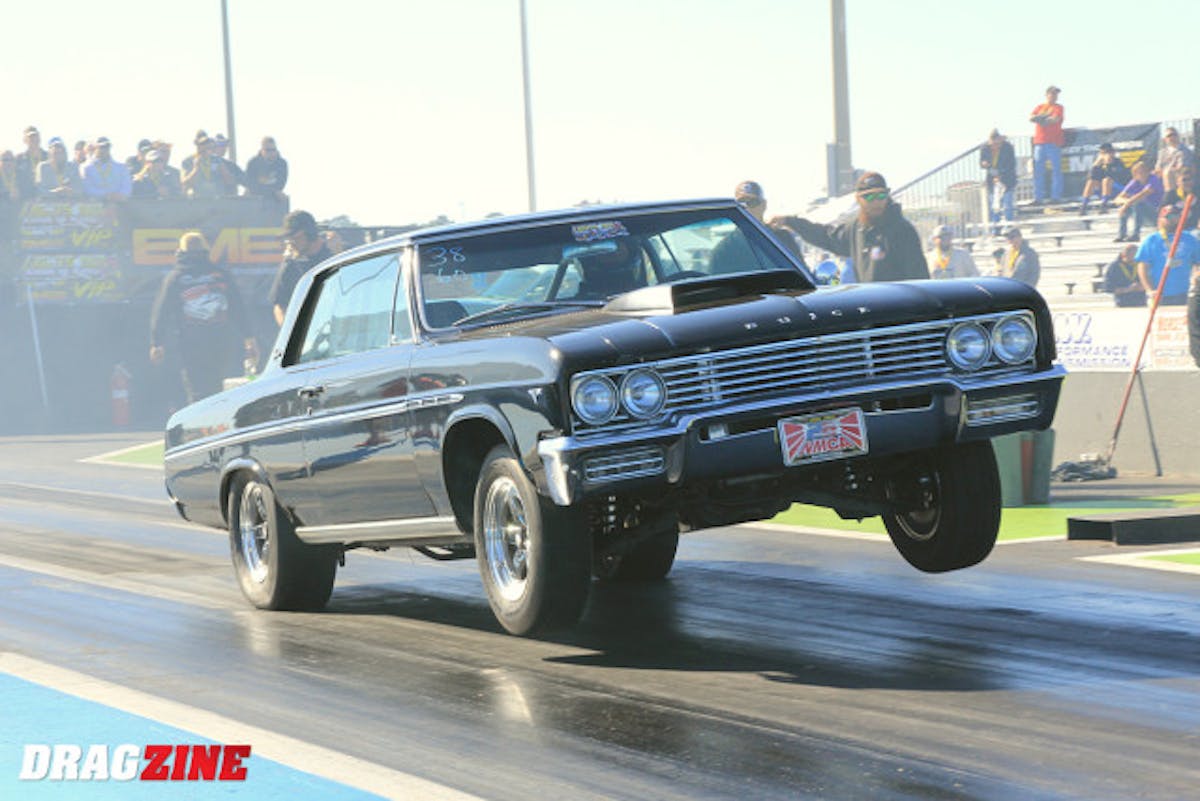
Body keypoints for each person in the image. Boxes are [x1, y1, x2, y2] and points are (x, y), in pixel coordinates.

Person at [150, 232, 257, 404]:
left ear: (180, 253)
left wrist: (157, 342)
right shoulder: (221, 275)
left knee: (197, 391)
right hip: (220, 341)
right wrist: (249, 338)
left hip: (191, 343)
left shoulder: (175, 278)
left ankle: (202, 418)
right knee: (217, 387)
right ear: (205, 251)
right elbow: (238, 308)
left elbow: (162, 311)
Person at [771, 172, 928, 282]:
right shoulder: (855, 228)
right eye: (869, 196)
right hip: (871, 308)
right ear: (858, 199)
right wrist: (790, 222)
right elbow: (825, 236)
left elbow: (919, 278)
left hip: (899, 310)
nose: (876, 201)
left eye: (881, 195)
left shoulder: (903, 230)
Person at [268, 210, 332, 325]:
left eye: (295, 237)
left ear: (310, 234)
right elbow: (280, 305)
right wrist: (289, 329)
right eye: (288, 238)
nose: (290, 242)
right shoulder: (290, 264)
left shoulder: (335, 256)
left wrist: (338, 252)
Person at [728, 180, 807, 265]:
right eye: (741, 203)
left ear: (764, 205)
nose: (747, 207)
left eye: (753, 202)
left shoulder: (782, 238)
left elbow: (801, 270)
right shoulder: (728, 246)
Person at [1135, 204, 1199, 306]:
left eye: (1176, 216)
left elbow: (1198, 262)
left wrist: (1196, 276)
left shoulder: (1190, 239)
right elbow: (1142, 267)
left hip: (1186, 293)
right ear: (1160, 219)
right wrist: (1149, 290)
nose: (1173, 220)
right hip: (1160, 294)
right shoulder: (1151, 240)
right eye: (1168, 217)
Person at [1112, 160, 1163, 242]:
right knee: (1128, 204)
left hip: (1156, 214)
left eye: (1143, 171)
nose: (1141, 174)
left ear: (1148, 172)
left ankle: (1136, 234)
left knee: (1137, 203)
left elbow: (1144, 194)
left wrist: (1127, 204)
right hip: (1140, 214)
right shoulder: (1134, 182)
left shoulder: (1153, 179)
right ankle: (1122, 234)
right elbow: (1117, 199)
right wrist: (1126, 203)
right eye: (1138, 172)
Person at [1029, 85, 1065, 204]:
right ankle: (1038, 197)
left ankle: (1055, 196)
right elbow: (1031, 117)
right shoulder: (1040, 107)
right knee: (1038, 171)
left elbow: (1055, 119)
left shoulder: (1059, 107)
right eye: (1052, 93)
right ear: (1047, 95)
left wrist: (1040, 119)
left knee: (1056, 170)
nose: (1054, 96)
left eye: (1056, 94)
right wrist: (1043, 118)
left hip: (1054, 143)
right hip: (1040, 142)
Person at [979, 129, 1016, 228]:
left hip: (1007, 180)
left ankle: (1008, 227)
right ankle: (996, 228)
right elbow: (981, 163)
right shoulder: (984, 148)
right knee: (995, 206)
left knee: (1007, 205)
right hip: (992, 181)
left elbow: (1011, 164)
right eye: (992, 144)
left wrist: (1001, 174)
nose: (995, 146)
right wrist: (984, 164)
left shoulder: (1008, 148)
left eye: (997, 144)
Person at [1079, 143, 1131, 214]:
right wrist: (1095, 165)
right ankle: (1084, 206)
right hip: (1104, 191)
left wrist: (1109, 164)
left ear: (1113, 153)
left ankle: (1104, 205)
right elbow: (1091, 177)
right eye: (1102, 153)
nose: (1106, 155)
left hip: (1118, 190)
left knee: (1106, 180)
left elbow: (1117, 177)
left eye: (1108, 152)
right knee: (1091, 181)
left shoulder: (1118, 163)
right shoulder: (1099, 164)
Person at [1154, 126, 1196, 195]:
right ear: (1165, 139)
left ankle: (1170, 196)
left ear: (1178, 136)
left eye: (1174, 135)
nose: (1172, 137)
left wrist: (1165, 170)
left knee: (1168, 173)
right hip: (1163, 176)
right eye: (1169, 136)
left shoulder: (1185, 151)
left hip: (1181, 178)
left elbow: (1181, 168)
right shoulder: (1162, 152)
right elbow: (1157, 168)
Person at [244, 136, 288, 200]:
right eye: (268, 150)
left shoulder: (282, 164)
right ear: (262, 150)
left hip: (273, 199)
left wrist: (271, 190)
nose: (271, 153)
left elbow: (280, 185)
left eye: (273, 150)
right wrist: (272, 190)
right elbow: (251, 184)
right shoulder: (253, 163)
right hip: (255, 198)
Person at [14, 125, 47, 200]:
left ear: (39, 138)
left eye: (35, 136)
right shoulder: (19, 159)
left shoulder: (49, 157)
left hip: (46, 199)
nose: (34, 140)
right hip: (26, 199)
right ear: (24, 140)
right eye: (30, 137)